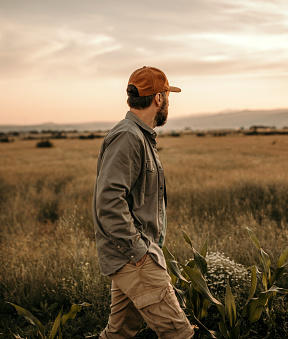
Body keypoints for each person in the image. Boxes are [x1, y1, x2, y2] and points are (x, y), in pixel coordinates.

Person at [93, 66, 194, 339]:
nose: (168, 102)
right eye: (167, 95)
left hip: (134, 254)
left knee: (119, 332)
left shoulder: (140, 136)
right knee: (179, 334)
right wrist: (138, 251)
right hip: (134, 258)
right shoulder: (128, 136)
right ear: (158, 99)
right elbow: (109, 201)